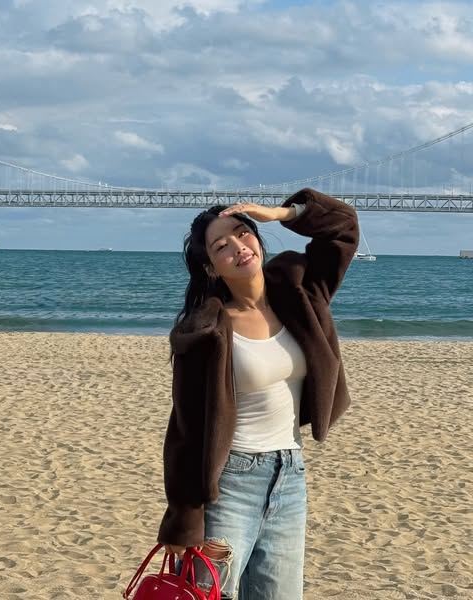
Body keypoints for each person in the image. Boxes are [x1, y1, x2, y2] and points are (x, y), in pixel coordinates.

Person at [157, 188, 359, 599]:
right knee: (208, 595)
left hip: (290, 476)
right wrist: (183, 518)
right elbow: (186, 429)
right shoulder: (204, 330)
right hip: (229, 484)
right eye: (221, 246)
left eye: (242, 232)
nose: (238, 246)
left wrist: (280, 213)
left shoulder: (302, 292)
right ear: (211, 268)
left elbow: (343, 227)